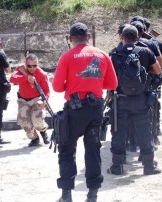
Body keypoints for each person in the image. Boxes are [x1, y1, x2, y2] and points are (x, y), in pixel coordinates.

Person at [52, 22, 118, 202]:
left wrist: (72, 85)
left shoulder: (67, 56)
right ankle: (92, 195)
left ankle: (66, 195)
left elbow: (57, 87)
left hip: (74, 111)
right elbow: (112, 84)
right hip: (95, 110)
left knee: (66, 151)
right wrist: (94, 84)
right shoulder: (102, 55)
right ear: (88, 37)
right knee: (93, 151)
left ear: (70, 39)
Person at [108, 25, 161, 176]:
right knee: (144, 131)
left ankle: (117, 166)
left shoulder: (115, 54)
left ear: (121, 37)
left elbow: (109, 79)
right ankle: (149, 166)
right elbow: (158, 70)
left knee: (119, 132)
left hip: (121, 100)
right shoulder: (145, 51)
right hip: (142, 99)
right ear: (138, 38)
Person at [10, 53, 50, 147]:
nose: (32, 68)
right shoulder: (20, 69)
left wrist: (45, 100)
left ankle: (43, 131)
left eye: (34, 65)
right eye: (29, 66)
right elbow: (12, 79)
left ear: (38, 64)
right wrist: (26, 77)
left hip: (36, 99)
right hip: (23, 100)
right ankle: (35, 138)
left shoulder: (41, 74)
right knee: (24, 122)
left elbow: (46, 90)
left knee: (37, 120)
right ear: (25, 64)